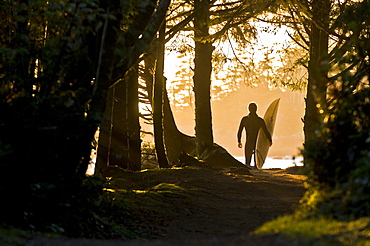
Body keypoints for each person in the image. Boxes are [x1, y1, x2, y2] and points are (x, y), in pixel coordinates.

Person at [237, 102, 272, 168]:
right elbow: (266, 131)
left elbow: (240, 131)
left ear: (248, 109)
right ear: (256, 109)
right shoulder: (260, 120)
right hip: (257, 143)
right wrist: (269, 140)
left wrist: (239, 141)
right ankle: (255, 168)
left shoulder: (244, 119)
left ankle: (249, 171)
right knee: (257, 162)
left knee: (247, 162)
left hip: (248, 142)